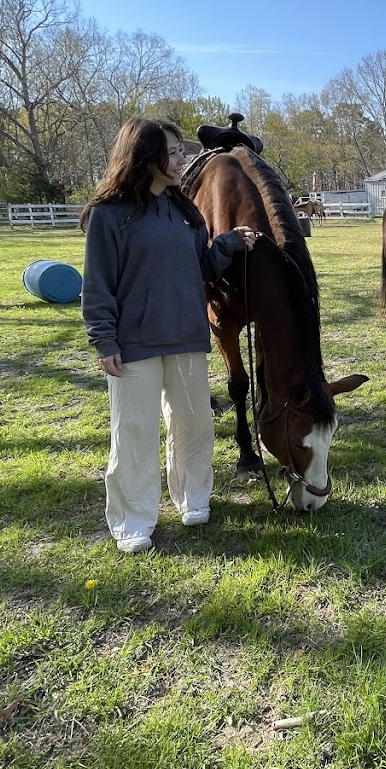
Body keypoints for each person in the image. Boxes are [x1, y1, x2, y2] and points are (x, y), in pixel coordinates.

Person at [80, 116, 257, 552]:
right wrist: (103, 339)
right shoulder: (108, 215)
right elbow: (97, 283)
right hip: (133, 344)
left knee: (194, 424)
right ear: (145, 156)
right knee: (135, 432)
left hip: (187, 336)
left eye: (182, 151)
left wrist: (229, 244)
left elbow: (200, 267)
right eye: (174, 152)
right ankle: (134, 520)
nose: (183, 159)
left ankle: (192, 497)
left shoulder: (185, 211)